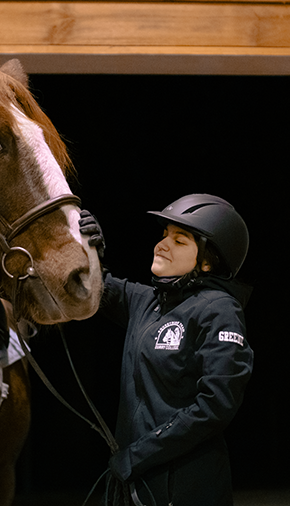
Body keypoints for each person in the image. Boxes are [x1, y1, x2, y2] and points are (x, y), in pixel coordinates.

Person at [79, 194, 253, 506]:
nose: (162, 245)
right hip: (134, 483)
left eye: (180, 240)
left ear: (208, 260)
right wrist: (88, 250)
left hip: (184, 490)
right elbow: (93, 287)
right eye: (164, 236)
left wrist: (139, 454)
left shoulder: (219, 310)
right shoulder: (145, 300)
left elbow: (215, 406)